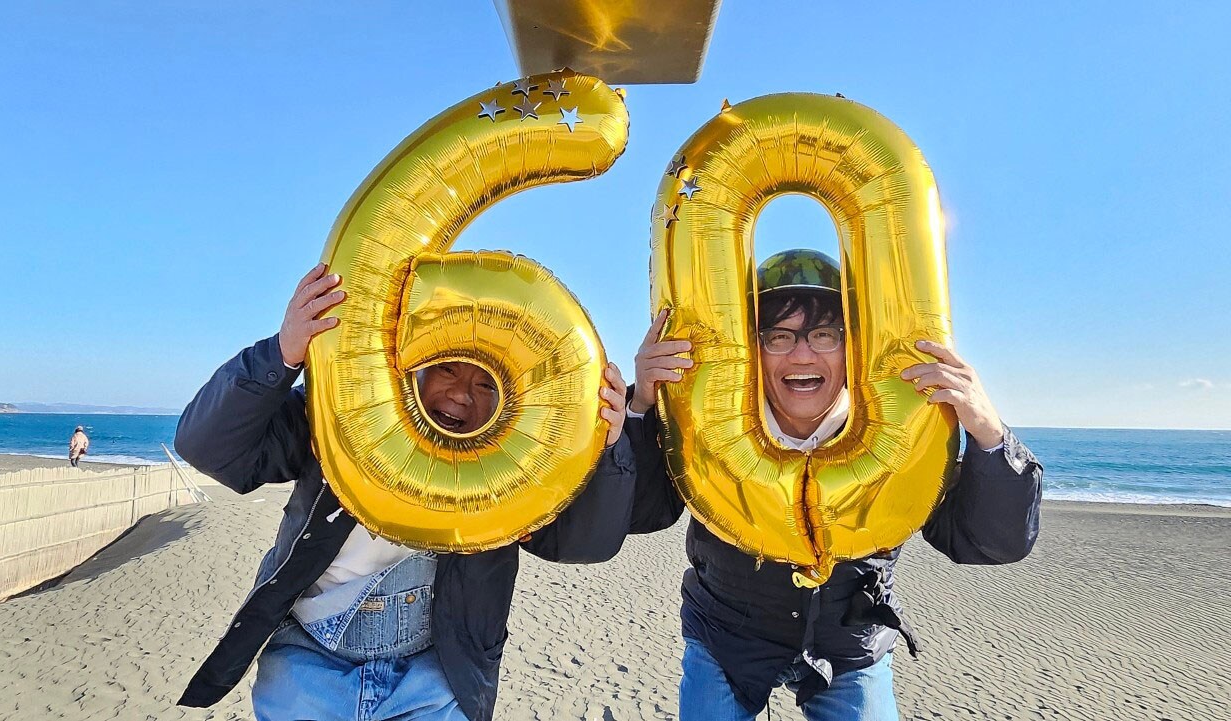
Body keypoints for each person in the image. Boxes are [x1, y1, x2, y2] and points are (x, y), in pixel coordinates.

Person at [174, 263, 637, 721]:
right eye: (448, 370)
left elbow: (585, 543)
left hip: (436, 680)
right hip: (308, 666)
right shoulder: (339, 414)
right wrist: (281, 354)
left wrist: (608, 448)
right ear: (416, 365)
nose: (461, 395)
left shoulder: (519, 474)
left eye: (485, 384)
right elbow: (209, 448)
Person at [626, 249, 1043, 721]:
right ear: (751, 349)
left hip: (851, 645)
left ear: (853, 347)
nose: (802, 353)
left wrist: (988, 433)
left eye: (824, 335)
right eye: (778, 336)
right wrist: (640, 406)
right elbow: (643, 514)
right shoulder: (703, 424)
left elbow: (990, 543)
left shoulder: (905, 433)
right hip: (726, 637)